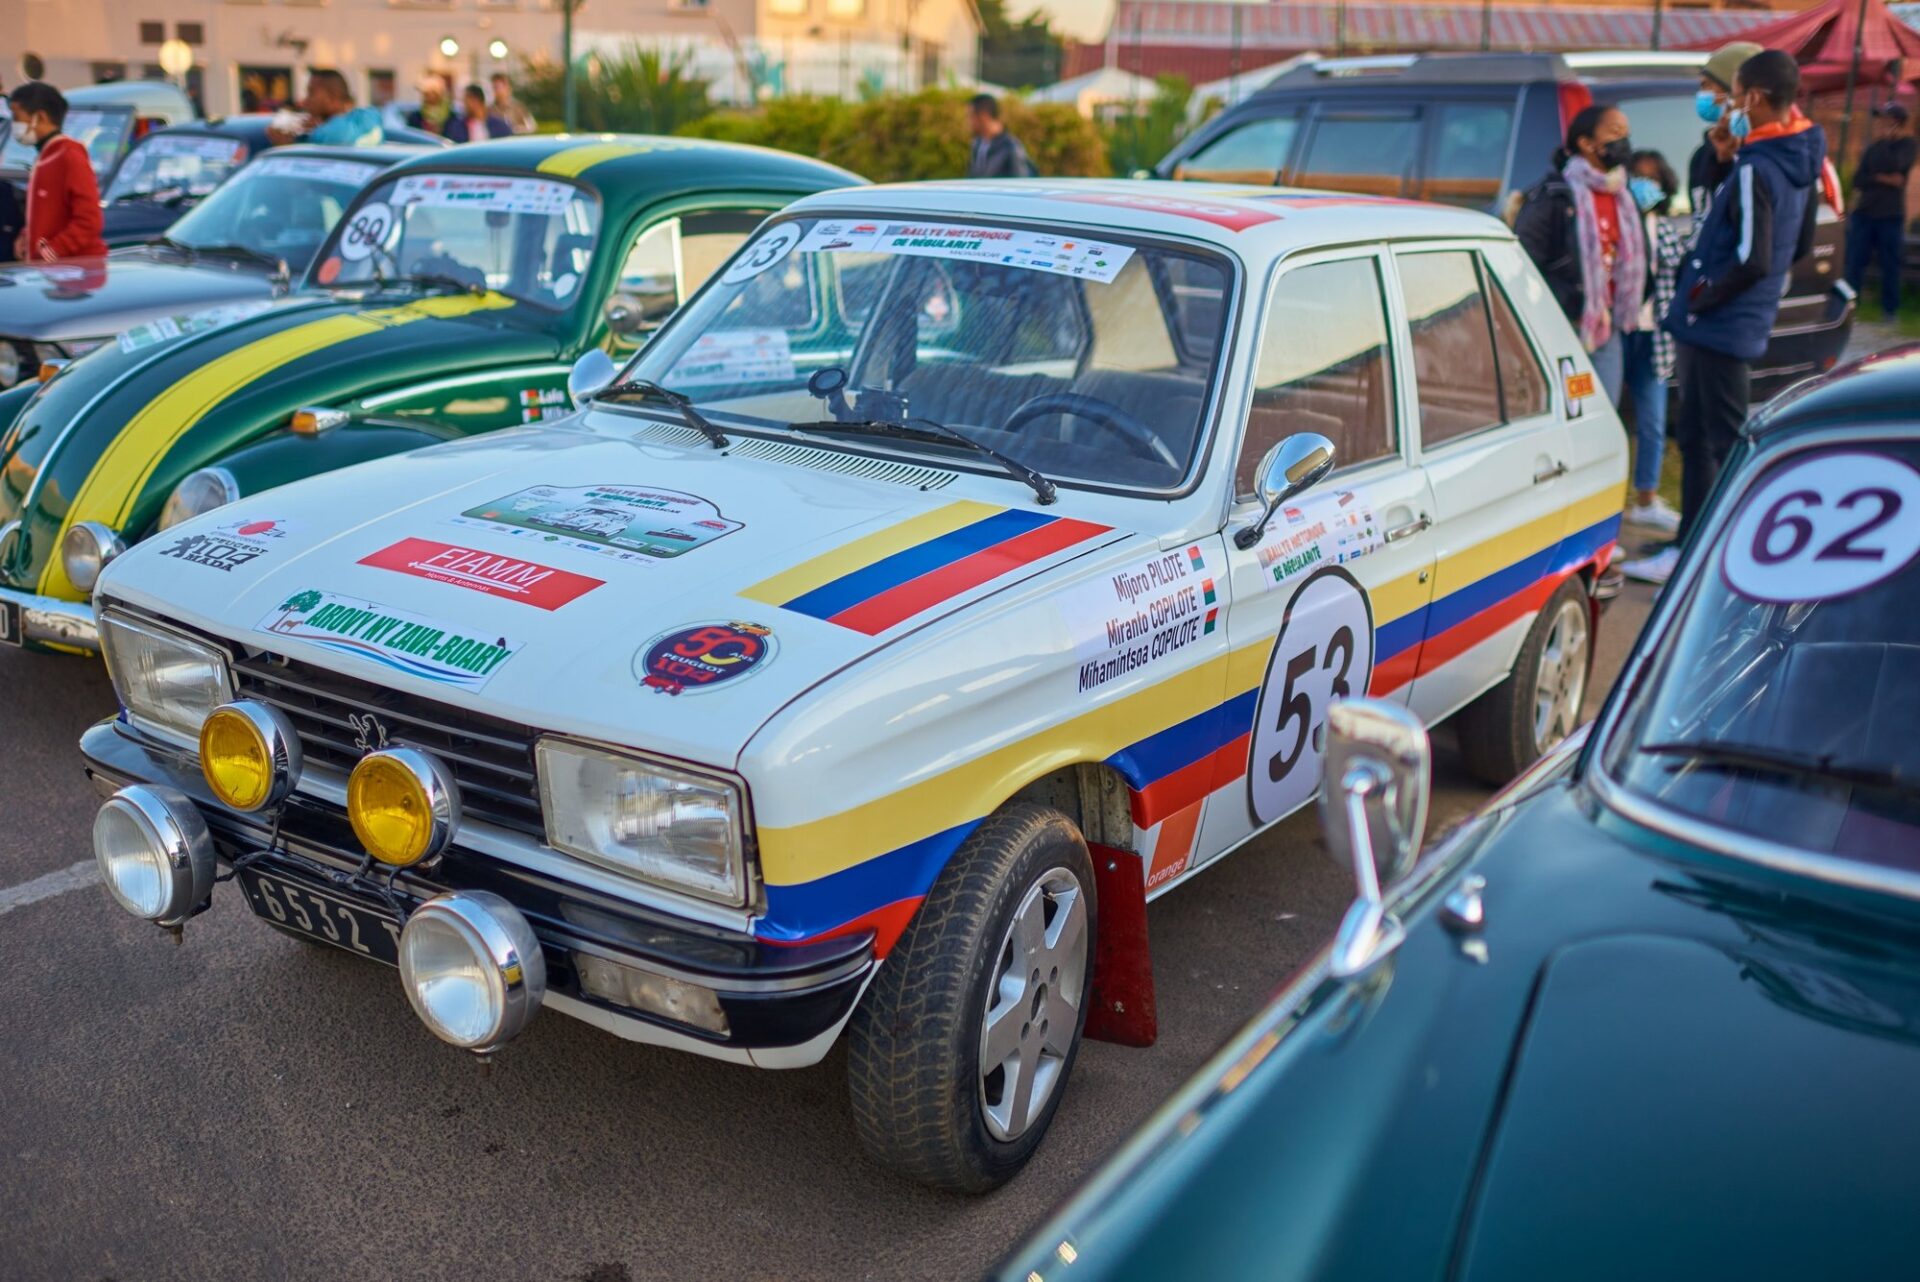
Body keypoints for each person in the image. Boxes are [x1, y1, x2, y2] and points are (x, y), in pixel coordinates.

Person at [1624, 50, 1826, 585]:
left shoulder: (1760, 164)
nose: (1725, 106)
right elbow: (1795, 244)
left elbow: (1753, 256)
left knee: (1713, 439)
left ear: (1753, 98)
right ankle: (1695, 539)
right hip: (1734, 321)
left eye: (1729, 95)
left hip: (1719, 324)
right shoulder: (1793, 155)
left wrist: (1701, 294)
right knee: (1701, 435)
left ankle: (1705, 554)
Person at [1515, 103, 1647, 405]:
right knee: (1571, 411)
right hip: (1564, 324)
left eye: (1626, 133)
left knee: (1604, 410)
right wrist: (1561, 301)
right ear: (1586, 143)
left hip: (1606, 326)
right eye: (1614, 132)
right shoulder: (1555, 195)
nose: (1623, 140)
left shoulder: (1625, 196)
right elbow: (1525, 257)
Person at [1622, 149, 1685, 534]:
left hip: (1653, 337)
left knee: (1652, 421)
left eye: (1652, 180)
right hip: (1617, 333)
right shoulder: (1618, 223)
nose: (1644, 186)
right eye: (1637, 177)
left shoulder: (1665, 229)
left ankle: (1646, 497)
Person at [9, 81, 106, 263]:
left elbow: (89, 221)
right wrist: (26, 235)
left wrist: (51, 253)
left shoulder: (69, 155)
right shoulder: (46, 156)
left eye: (17, 117)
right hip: (54, 274)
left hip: (74, 276)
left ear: (40, 117)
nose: (14, 124)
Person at [1847, 102, 1914, 317]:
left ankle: (1890, 309)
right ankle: (1850, 306)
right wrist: (1884, 177)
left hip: (1890, 215)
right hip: (1865, 213)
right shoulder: (1873, 147)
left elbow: (1899, 166)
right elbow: (1859, 179)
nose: (1882, 124)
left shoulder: (1908, 145)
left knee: (1890, 264)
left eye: (1888, 120)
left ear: (1898, 123)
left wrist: (1877, 175)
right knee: (1855, 261)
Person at [1688, 41, 1762, 217]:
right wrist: (1723, 161)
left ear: (1733, 91)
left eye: (1707, 85)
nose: (1702, 94)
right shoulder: (1704, 155)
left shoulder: (1764, 154)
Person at [267, 69, 383, 147]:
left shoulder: (325, 136)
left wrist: (286, 147)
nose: (305, 101)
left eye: (311, 93)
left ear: (332, 99)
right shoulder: (370, 117)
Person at [966, 94, 1036, 179]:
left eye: (971, 116)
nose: (968, 122)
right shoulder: (978, 145)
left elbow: (1021, 183)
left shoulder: (1011, 148)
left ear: (983, 116)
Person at [443, 84, 511, 143]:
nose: (464, 104)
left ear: (476, 100)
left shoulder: (500, 126)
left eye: (466, 99)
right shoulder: (456, 127)